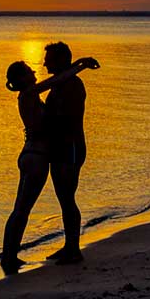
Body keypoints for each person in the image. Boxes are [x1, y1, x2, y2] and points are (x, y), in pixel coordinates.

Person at [1, 54, 99, 275]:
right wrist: (80, 65)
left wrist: (77, 65)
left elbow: (56, 83)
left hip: (31, 155)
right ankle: (8, 258)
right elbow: (54, 81)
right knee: (21, 210)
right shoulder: (28, 94)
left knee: (21, 210)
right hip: (36, 157)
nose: (36, 71)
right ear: (22, 79)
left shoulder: (30, 96)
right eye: (29, 71)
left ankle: (10, 257)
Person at [42, 41, 90, 266]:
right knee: (64, 199)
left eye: (49, 59)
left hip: (70, 147)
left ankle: (74, 249)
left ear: (61, 61)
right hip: (60, 148)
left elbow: (65, 118)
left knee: (68, 198)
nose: (44, 63)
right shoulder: (59, 84)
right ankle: (69, 245)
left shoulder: (72, 85)